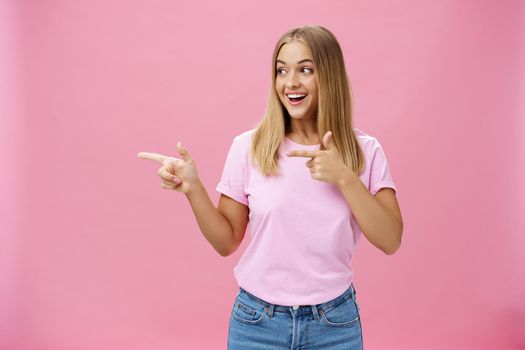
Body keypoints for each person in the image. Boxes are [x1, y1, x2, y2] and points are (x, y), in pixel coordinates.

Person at [138, 24, 403, 350]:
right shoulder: (249, 147)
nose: (290, 82)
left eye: (305, 70)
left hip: (335, 324)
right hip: (257, 324)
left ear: (330, 77)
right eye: (282, 71)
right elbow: (226, 242)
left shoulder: (366, 151)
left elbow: (390, 240)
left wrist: (345, 177)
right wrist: (193, 188)